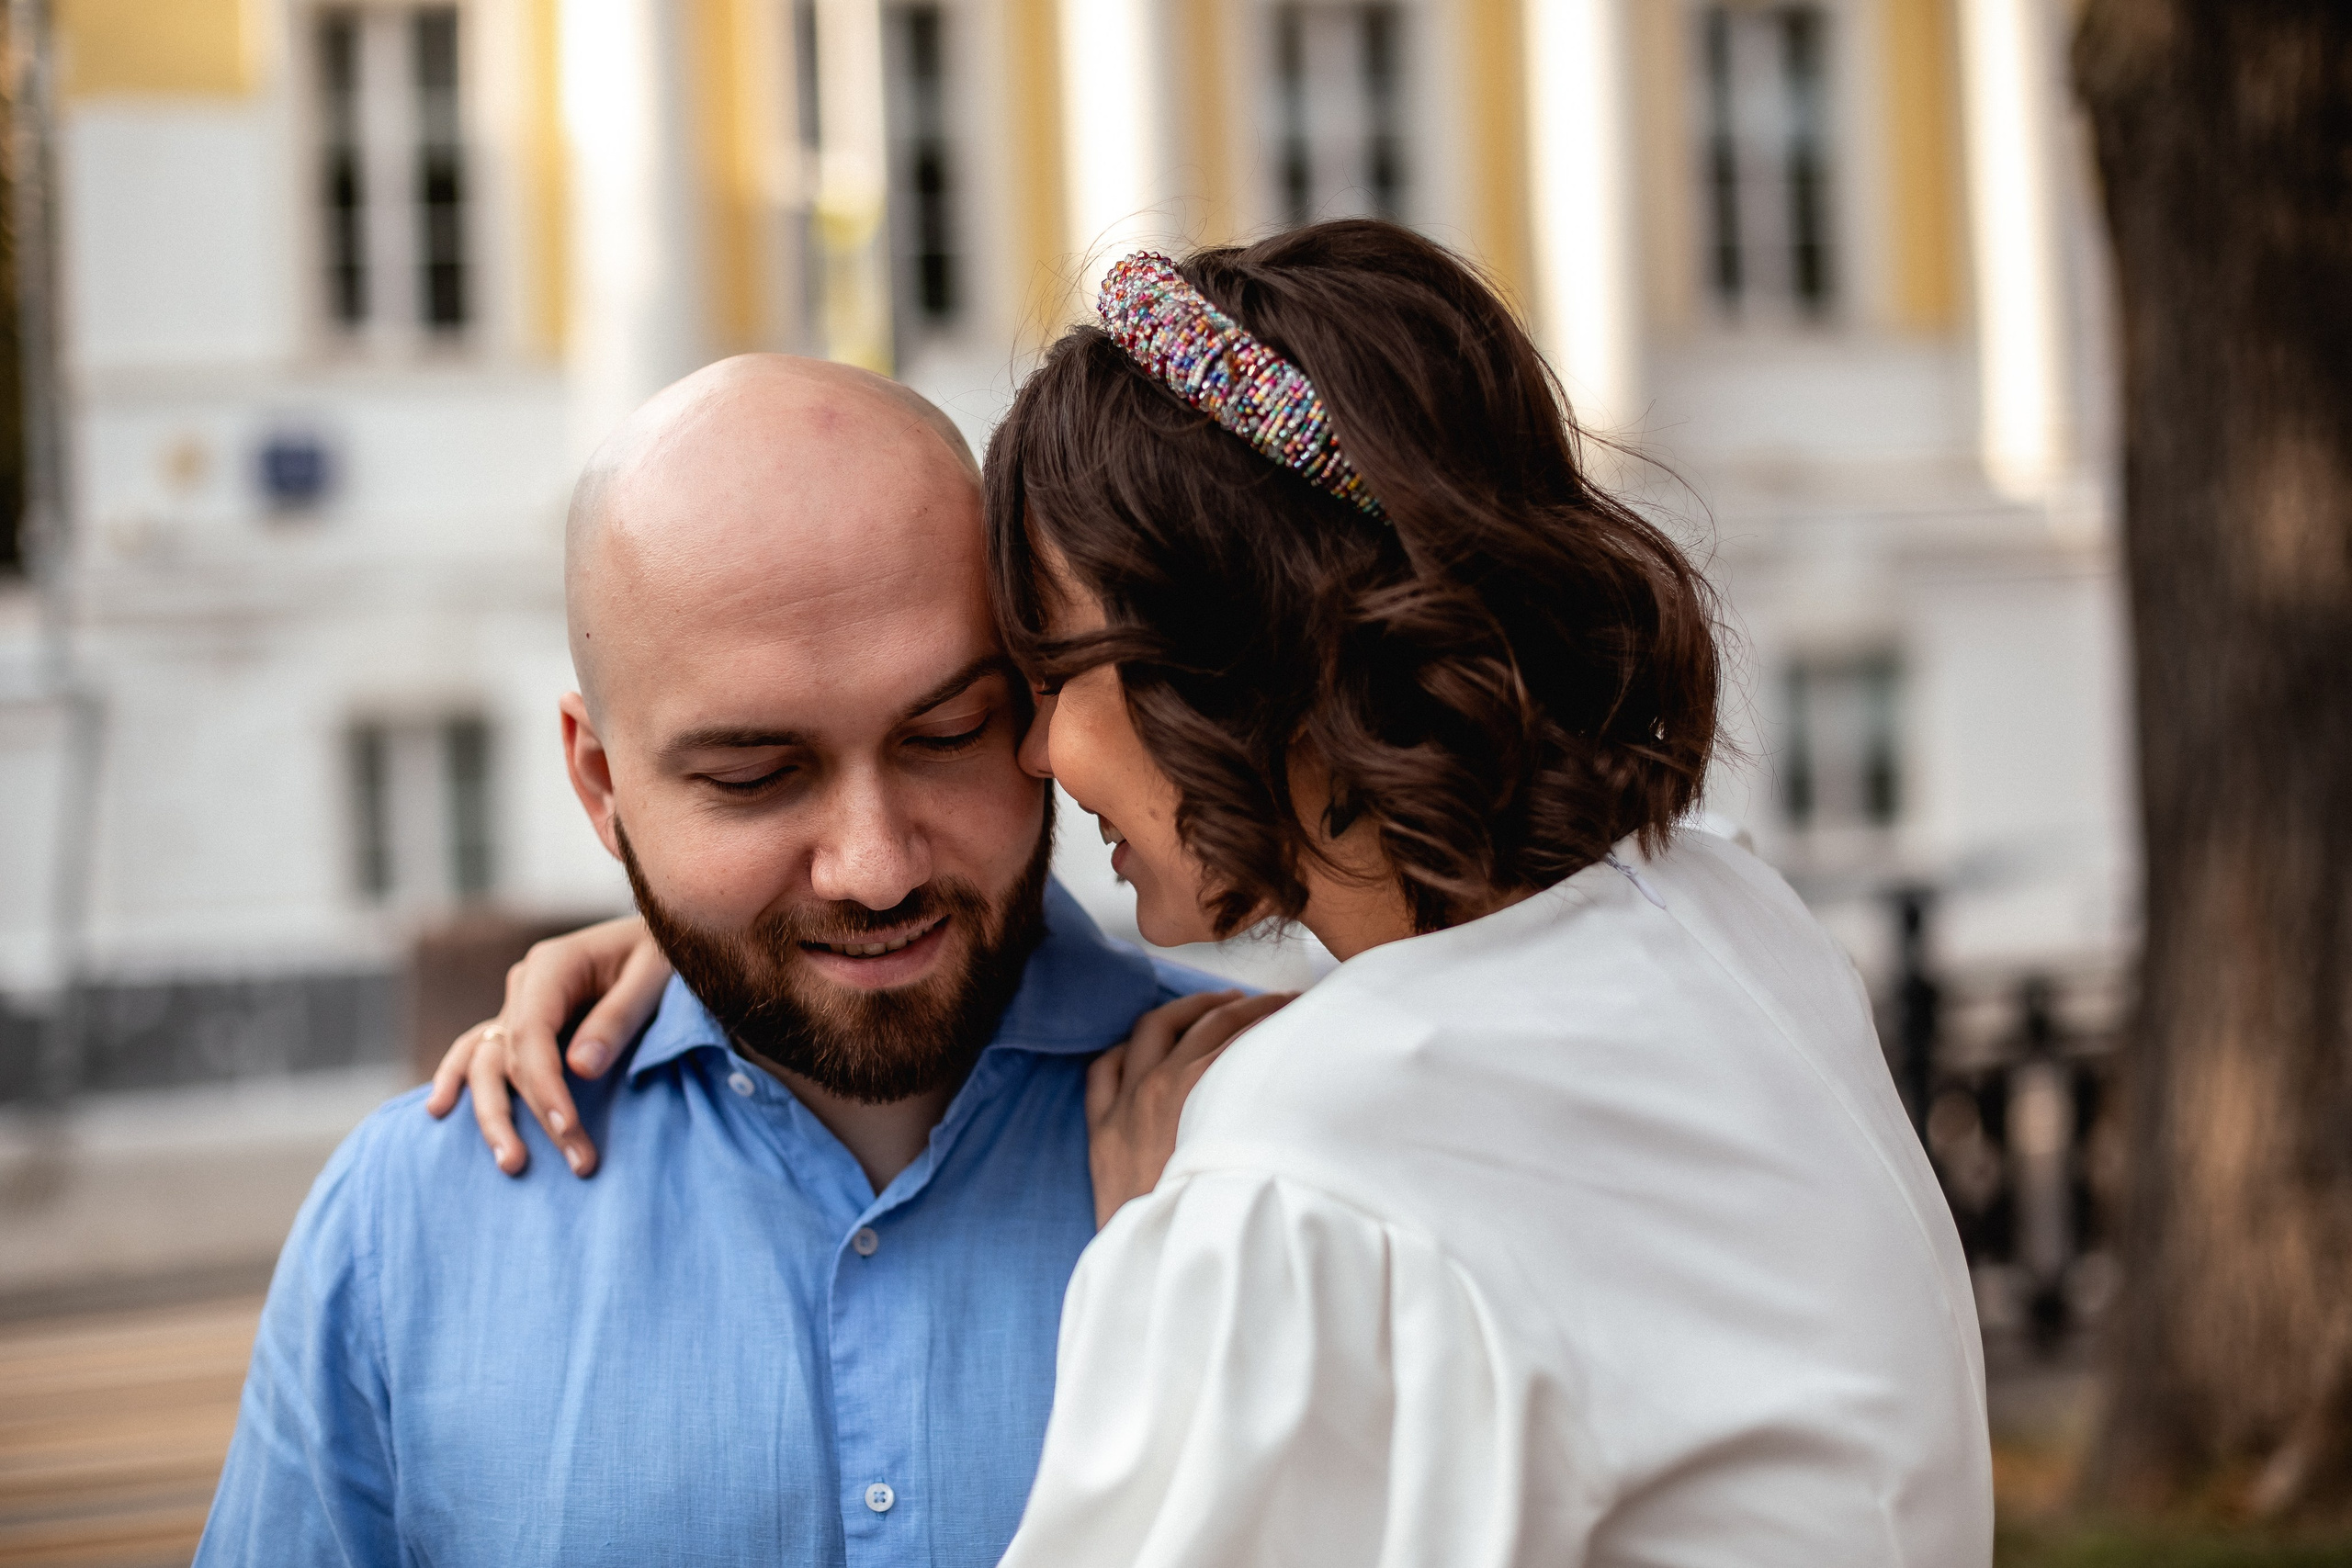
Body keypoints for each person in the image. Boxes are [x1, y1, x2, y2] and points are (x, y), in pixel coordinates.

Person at [442, 222, 1995, 1562]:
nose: (1044, 751)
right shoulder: (1735, 932)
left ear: (1239, 664)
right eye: (755, 773)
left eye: (1044, 677)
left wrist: (1157, 1258)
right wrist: (715, 933)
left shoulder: (1293, 1184)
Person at [195, 355, 1261, 1568]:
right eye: (756, 778)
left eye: (949, 733)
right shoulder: (409, 1227)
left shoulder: (1279, 1126)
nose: (875, 867)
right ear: (601, 783)